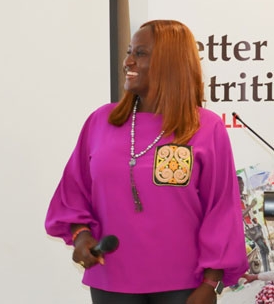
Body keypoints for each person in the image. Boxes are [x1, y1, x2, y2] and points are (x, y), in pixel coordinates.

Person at [45, 20, 248, 304]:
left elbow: (221, 210)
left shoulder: (205, 127)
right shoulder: (100, 122)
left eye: (140, 53)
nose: (128, 61)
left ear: (170, 62)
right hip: (111, 279)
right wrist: (81, 236)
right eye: (129, 52)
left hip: (184, 284)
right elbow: (73, 194)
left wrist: (211, 283)